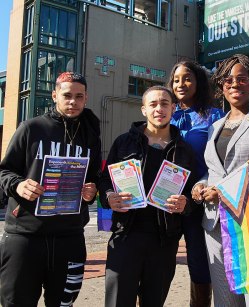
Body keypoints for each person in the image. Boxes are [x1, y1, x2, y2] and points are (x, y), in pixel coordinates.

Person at [0, 72, 101, 306]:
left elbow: (94, 175)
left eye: (79, 96)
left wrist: (90, 191)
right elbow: (4, 172)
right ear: (55, 95)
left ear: (86, 98)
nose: (73, 102)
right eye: (67, 95)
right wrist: (19, 184)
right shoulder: (31, 129)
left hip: (70, 236)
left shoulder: (91, 134)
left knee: (63, 303)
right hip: (25, 236)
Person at [192, 54, 249, 306]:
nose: (235, 84)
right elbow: (214, 170)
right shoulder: (215, 126)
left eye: (242, 79)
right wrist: (200, 184)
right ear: (221, 85)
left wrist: (224, 191)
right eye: (228, 80)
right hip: (215, 225)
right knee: (225, 302)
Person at [99, 85, 196, 307]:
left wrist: (186, 204)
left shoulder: (184, 150)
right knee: (117, 302)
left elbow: (193, 194)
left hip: (164, 241)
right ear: (144, 110)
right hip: (126, 236)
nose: (159, 109)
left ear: (173, 108)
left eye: (164, 104)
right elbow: (105, 180)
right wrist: (108, 196)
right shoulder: (124, 142)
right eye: (153, 104)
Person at [167, 60, 225, 306]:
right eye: (177, 79)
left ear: (198, 81)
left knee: (199, 262)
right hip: (166, 198)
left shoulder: (214, 115)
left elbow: (222, 158)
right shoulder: (166, 111)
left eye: (187, 78)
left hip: (198, 200)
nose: (181, 83)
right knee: (157, 257)